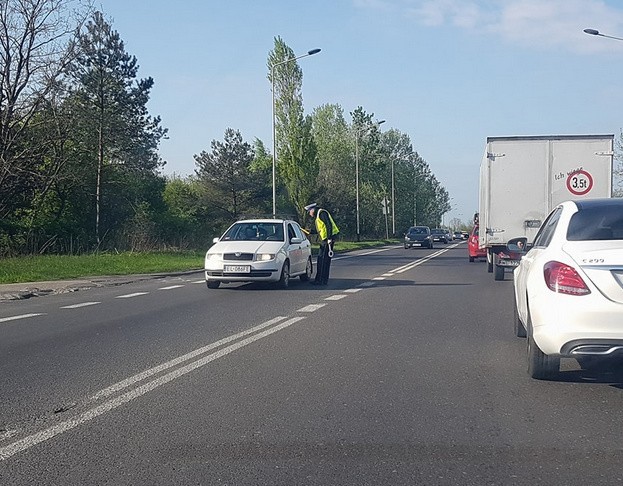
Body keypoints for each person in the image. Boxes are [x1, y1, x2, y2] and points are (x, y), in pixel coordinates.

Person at [304, 202, 340, 285]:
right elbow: (320, 230)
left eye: (309, 212)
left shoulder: (322, 213)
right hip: (326, 239)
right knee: (322, 260)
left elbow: (328, 225)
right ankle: (321, 280)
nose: (309, 214)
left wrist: (329, 238)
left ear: (312, 210)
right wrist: (311, 232)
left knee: (323, 260)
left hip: (328, 240)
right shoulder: (318, 216)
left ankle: (321, 280)